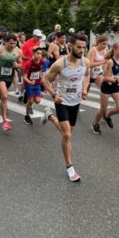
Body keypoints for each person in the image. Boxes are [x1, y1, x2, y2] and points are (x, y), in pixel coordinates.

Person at [42, 33, 90, 182]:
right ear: (70, 46)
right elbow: (45, 79)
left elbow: (87, 75)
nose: (81, 50)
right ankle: (70, 168)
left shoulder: (85, 62)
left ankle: (49, 116)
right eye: (78, 47)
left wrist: (84, 89)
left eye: (83, 47)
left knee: (67, 132)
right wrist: (53, 95)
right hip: (61, 101)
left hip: (75, 102)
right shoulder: (59, 64)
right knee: (67, 135)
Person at [92, 42, 119, 134]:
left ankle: (107, 116)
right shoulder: (110, 61)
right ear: (115, 50)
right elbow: (106, 78)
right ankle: (95, 123)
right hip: (107, 86)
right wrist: (117, 81)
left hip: (116, 87)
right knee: (103, 108)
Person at [22, 46, 44, 125]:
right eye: (37, 53)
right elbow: (24, 76)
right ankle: (27, 116)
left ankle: (26, 94)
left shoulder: (41, 61)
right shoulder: (29, 63)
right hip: (29, 84)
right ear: (33, 54)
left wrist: (42, 78)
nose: (39, 55)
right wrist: (29, 82)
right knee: (30, 101)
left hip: (37, 84)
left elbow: (40, 70)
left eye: (40, 54)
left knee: (37, 101)